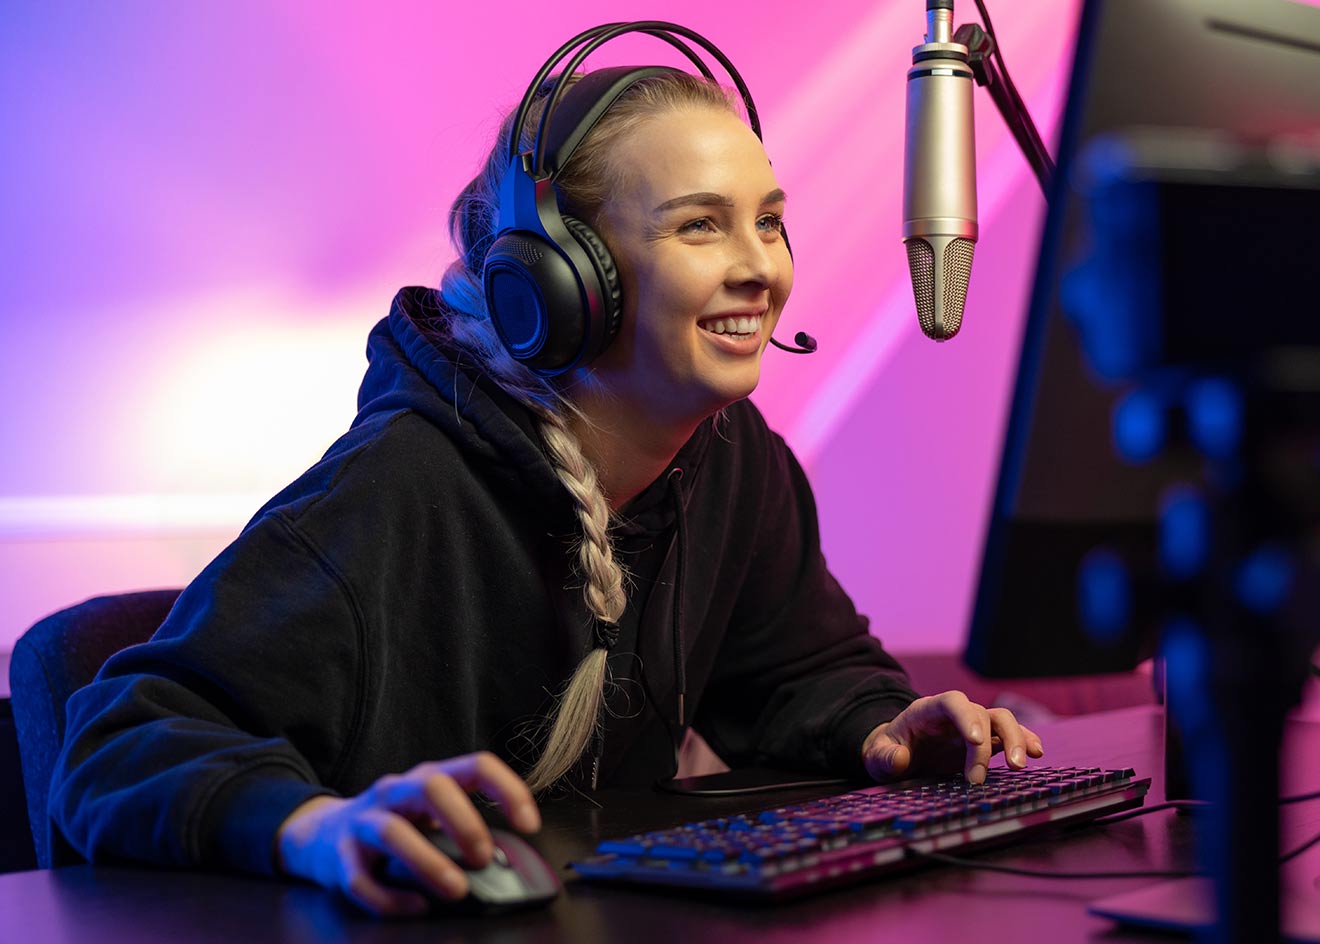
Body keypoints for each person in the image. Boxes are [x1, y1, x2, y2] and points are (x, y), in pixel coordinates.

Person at [50, 41, 1044, 918]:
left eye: (768, 222)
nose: (760, 268)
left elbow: (795, 672)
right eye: (702, 226)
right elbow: (120, 738)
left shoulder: (734, 459)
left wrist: (879, 726)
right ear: (562, 280)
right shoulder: (400, 488)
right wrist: (313, 827)